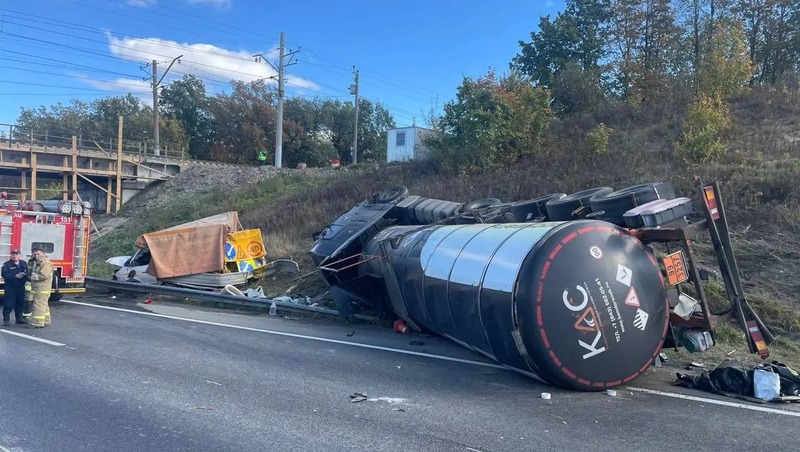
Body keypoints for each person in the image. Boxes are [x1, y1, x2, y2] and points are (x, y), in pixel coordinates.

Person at [28, 248, 54, 329]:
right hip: (38, 289)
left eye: (38, 254)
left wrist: (32, 277)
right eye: (35, 254)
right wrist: (31, 260)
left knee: (38, 306)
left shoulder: (46, 263)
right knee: (44, 305)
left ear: (43, 254)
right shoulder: (37, 263)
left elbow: (44, 276)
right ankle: (46, 320)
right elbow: (29, 269)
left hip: (42, 289)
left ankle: (38, 323)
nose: (36, 256)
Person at [1, 250, 28, 326]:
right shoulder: (6, 264)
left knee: (20, 303)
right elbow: (4, 274)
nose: (14, 256)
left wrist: (24, 275)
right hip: (10, 287)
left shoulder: (23, 264)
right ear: (11, 255)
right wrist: (15, 276)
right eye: (13, 254)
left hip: (20, 287)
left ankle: (19, 318)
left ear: (20, 255)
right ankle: (6, 320)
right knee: (9, 304)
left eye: (16, 254)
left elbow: (27, 272)